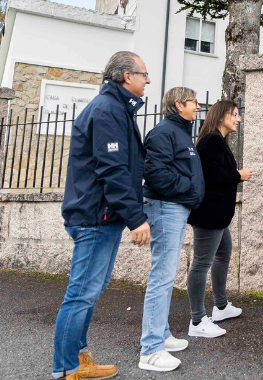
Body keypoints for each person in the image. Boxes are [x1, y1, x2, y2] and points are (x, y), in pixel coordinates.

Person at [52, 51, 152, 380]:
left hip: (101, 217)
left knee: (89, 291)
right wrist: (136, 218)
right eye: (143, 74)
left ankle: (78, 360)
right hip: (96, 218)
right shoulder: (109, 109)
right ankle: (66, 368)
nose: (147, 80)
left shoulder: (115, 108)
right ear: (126, 76)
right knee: (81, 293)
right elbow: (113, 169)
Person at [138, 87, 206, 372]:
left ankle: (162, 335)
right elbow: (154, 172)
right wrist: (189, 189)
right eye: (193, 102)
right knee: (162, 276)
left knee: (167, 275)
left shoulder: (180, 131)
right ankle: (150, 350)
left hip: (175, 207)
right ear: (179, 105)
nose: (198, 106)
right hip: (165, 207)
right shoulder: (164, 132)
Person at [186, 100, 252, 338]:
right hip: (209, 214)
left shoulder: (217, 140)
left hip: (218, 215)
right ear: (222, 115)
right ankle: (197, 320)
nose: (238, 119)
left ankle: (221, 306)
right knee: (201, 263)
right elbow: (213, 176)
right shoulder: (211, 140)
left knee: (223, 254)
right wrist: (239, 175)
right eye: (234, 114)